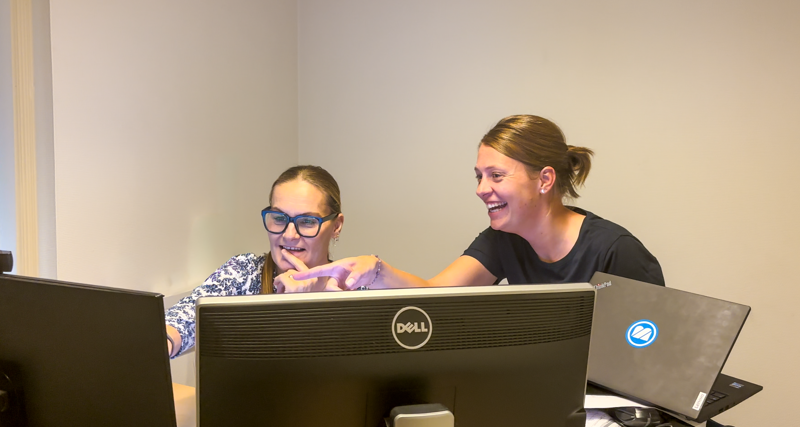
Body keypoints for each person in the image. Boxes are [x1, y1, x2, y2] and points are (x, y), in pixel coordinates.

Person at [292, 115, 665, 291]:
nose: (481, 189)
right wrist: (375, 270)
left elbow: (653, 356)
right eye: (479, 177)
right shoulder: (503, 239)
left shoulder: (617, 252)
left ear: (545, 180)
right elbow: (436, 293)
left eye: (496, 176)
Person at [164, 165, 344, 358]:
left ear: (336, 226)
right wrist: (164, 340)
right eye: (279, 218)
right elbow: (184, 318)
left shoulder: (352, 288)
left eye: (307, 221)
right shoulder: (244, 272)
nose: (289, 235)